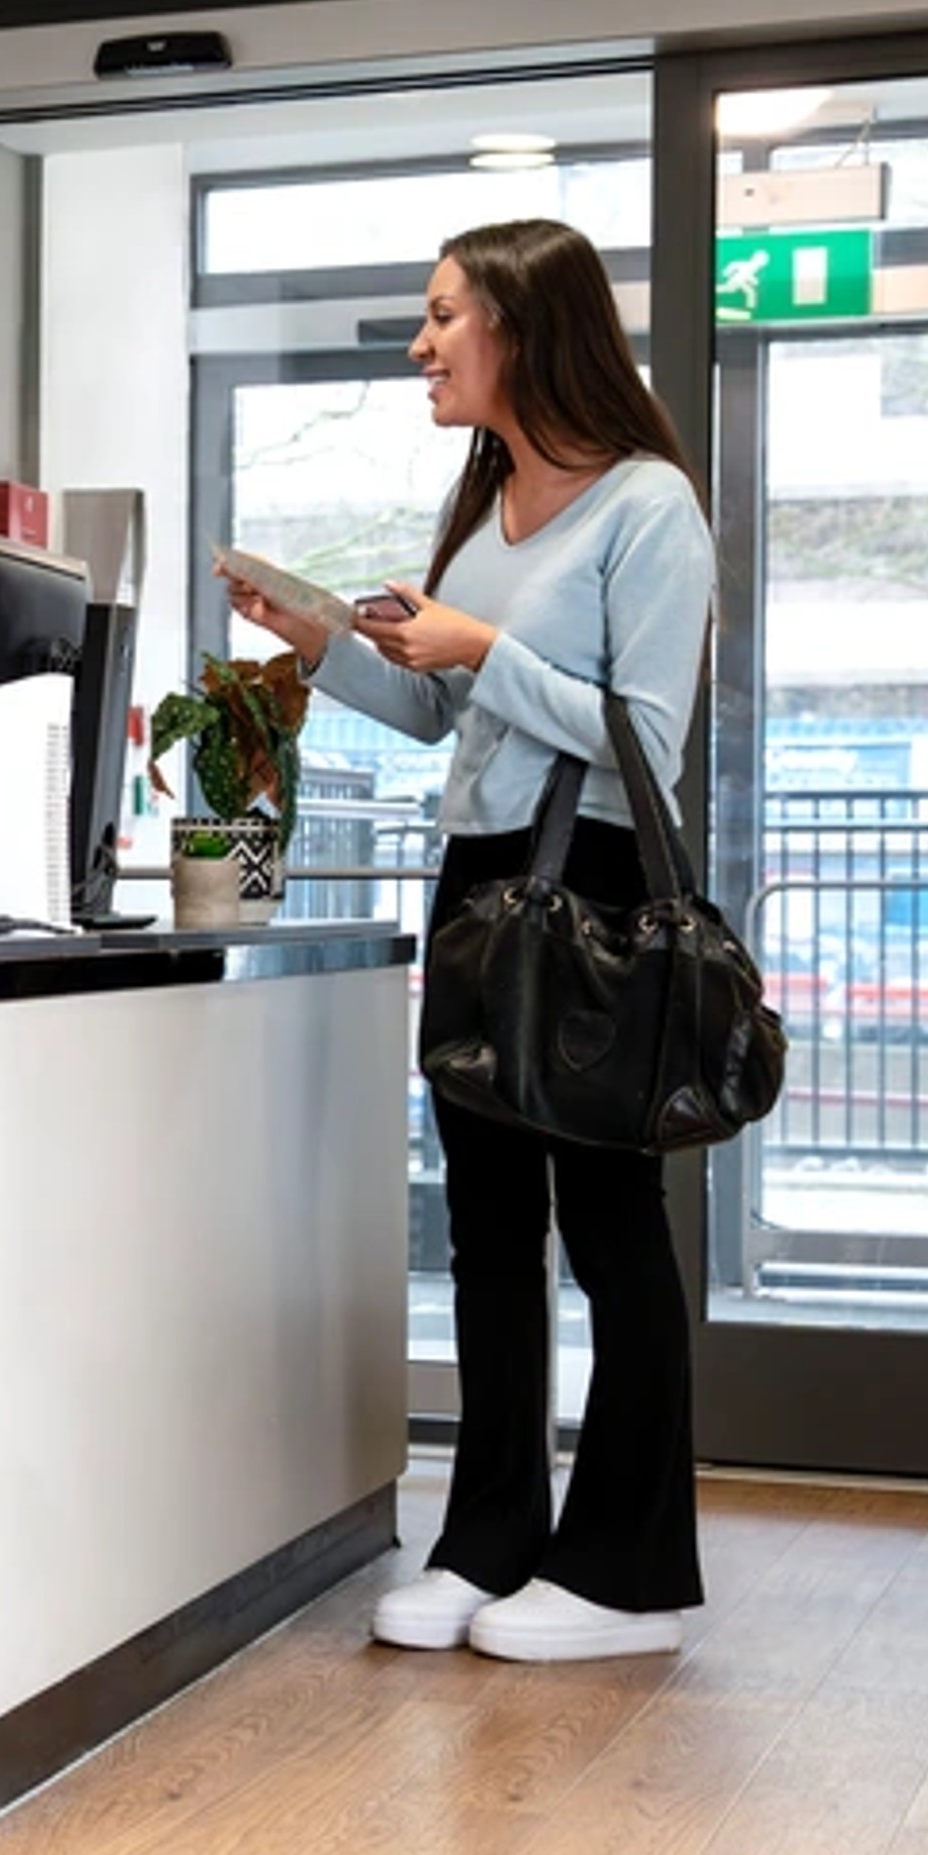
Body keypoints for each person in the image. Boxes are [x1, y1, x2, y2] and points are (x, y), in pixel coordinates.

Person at [223, 217, 716, 1666]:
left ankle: (631, 1577)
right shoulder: (484, 506)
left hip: (602, 890)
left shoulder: (648, 510)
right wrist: (326, 646)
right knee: (490, 1231)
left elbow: (649, 748)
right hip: (481, 883)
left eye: (443, 316)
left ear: (522, 323)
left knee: (609, 1233)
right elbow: (451, 720)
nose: (422, 345)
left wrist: (482, 648)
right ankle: (492, 1539)